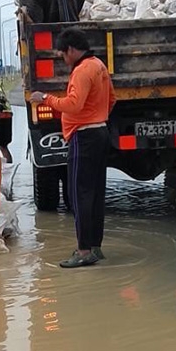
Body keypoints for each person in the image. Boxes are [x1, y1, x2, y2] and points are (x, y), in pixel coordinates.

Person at [30, 28, 116, 268]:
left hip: (84, 136)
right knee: (96, 193)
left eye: (63, 54)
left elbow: (73, 105)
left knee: (79, 195)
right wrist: (97, 116)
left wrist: (45, 98)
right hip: (100, 132)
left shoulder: (81, 71)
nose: (64, 60)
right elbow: (112, 99)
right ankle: (95, 246)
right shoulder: (99, 65)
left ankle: (83, 250)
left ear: (71, 50)